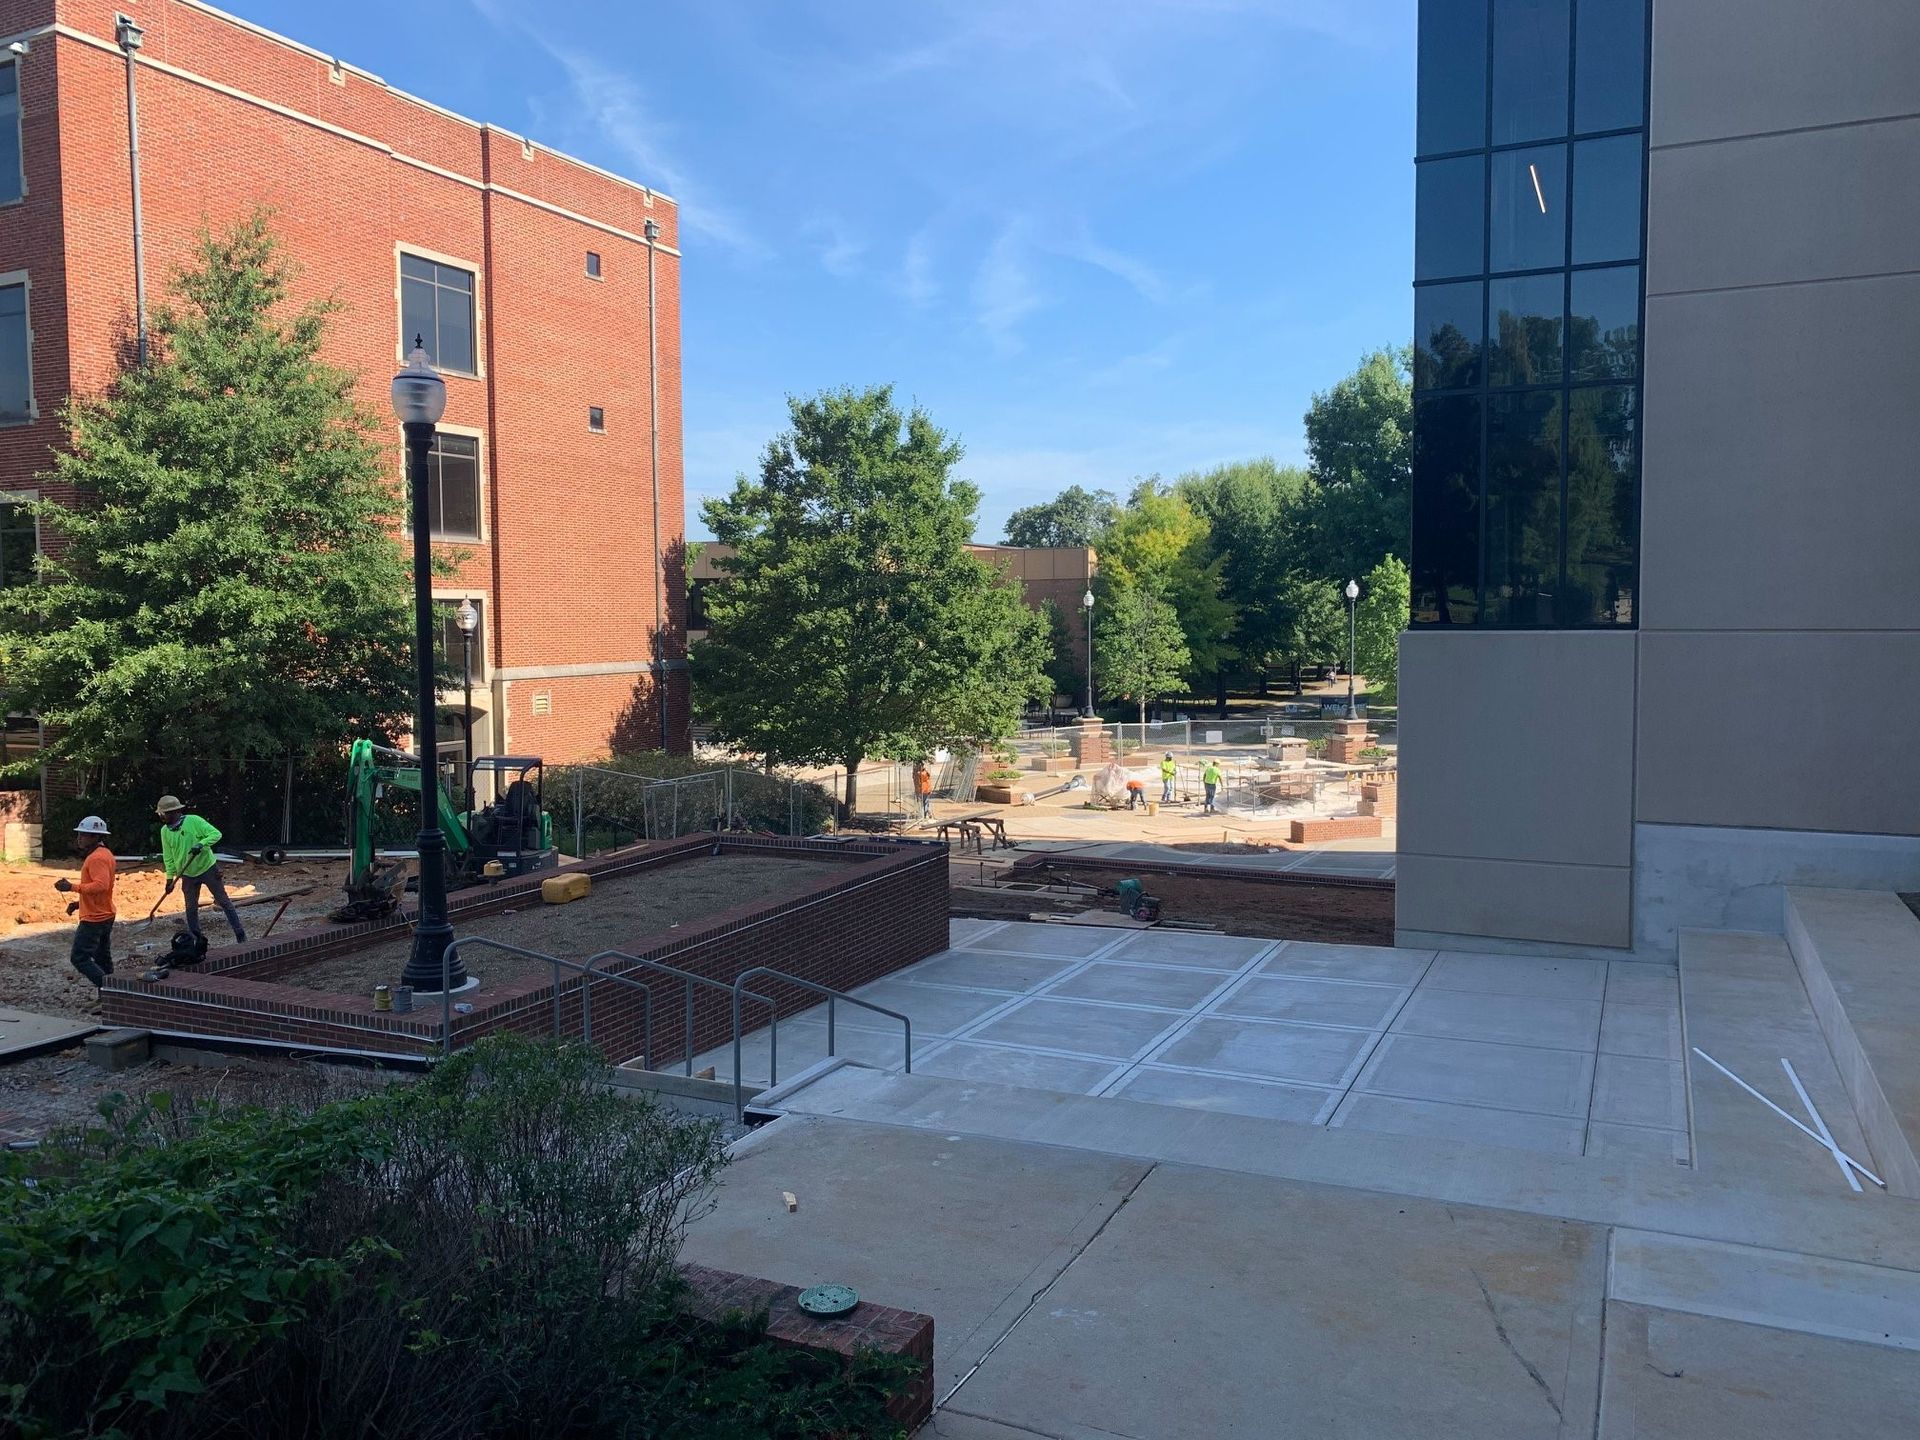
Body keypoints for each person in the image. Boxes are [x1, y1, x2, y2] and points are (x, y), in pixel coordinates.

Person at [156, 795, 247, 944]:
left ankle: (240, 934)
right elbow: (168, 856)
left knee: (224, 902)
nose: (162, 816)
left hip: (207, 868)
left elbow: (216, 834)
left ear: (174, 812)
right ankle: (196, 940)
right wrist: (169, 879)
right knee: (191, 908)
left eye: (163, 813)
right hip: (186, 874)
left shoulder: (194, 821)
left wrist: (201, 844)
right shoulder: (164, 831)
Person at [55, 816, 116, 1005]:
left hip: (95, 918)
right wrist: (79, 903)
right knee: (102, 958)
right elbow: (99, 890)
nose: (79, 838)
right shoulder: (104, 854)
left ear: (94, 836)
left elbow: (100, 886)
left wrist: (71, 887)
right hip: (104, 913)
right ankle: (111, 998)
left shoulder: (97, 858)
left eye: (83, 834)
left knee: (79, 957)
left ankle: (110, 992)